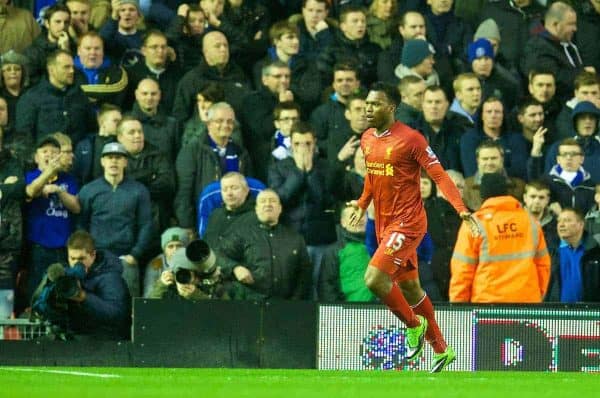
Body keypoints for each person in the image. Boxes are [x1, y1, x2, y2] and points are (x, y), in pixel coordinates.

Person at [346, 82, 478, 372]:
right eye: (367, 103)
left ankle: (413, 326)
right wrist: (362, 202)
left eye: (375, 104)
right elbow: (373, 175)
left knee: (374, 279)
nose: (368, 108)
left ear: (391, 108)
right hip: (384, 223)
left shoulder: (412, 140)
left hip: (408, 222)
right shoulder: (367, 138)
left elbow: (440, 176)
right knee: (411, 287)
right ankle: (442, 350)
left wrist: (461, 209)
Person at [449, 172, 551, 303]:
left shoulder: (475, 224)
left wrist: (458, 305)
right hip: (527, 302)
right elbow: (543, 265)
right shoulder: (530, 221)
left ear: (483, 194)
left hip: (487, 304)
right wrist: (537, 294)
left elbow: (462, 270)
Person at [77, 142, 153, 297]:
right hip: (97, 258)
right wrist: (88, 254)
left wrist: (135, 254)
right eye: (109, 157)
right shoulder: (89, 190)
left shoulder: (139, 190)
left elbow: (146, 224)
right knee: (97, 305)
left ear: (125, 162)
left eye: (118, 158)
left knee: (129, 307)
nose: (114, 161)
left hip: (125, 258)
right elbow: (81, 224)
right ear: (102, 161)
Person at [34, 230, 131, 340]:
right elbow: (47, 313)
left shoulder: (110, 278)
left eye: (81, 259)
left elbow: (117, 315)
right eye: (72, 258)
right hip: (72, 336)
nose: (76, 263)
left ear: (93, 255)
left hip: (104, 339)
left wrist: (84, 297)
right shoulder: (64, 274)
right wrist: (55, 302)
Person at [216, 189, 312, 300]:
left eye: (272, 201)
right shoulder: (242, 234)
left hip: (285, 306)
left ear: (280, 209)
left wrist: (294, 301)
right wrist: (235, 268)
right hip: (249, 305)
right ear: (256, 209)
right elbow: (218, 255)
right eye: (263, 201)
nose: (268, 204)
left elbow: (305, 274)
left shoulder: (295, 238)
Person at [25, 135, 80, 301]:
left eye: (55, 152)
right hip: (39, 245)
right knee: (38, 290)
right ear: (36, 157)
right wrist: (46, 177)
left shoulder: (69, 180)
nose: (49, 155)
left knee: (62, 293)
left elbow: (76, 207)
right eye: (45, 151)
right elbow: (30, 192)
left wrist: (59, 190)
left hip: (64, 246)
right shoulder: (29, 176)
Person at [318, 204, 375, 302]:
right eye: (353, 216)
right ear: (343, 222)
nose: (359, 219)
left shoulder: (381, 248)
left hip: (379, 312)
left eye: (362, 215)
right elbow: (327, 287)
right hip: (344, 313)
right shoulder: (333, 252)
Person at [546, 208, 600, 303]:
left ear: (581, 224)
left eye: (567, 220)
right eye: (559, 221)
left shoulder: (595, 252)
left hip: (589, 314)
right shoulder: (550, 251)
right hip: (554, 313)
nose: (561, 225)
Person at [147, 240, 228, 300]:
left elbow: (221, 314)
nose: (186, 277)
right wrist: (161, 286)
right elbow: (149, 311)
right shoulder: (169, 289)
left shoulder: (211, 288)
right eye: (182, 273)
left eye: (191, 272)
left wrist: (197, 296)